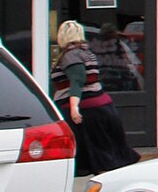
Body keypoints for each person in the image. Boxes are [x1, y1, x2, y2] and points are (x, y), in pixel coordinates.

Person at [51, 19, 137, 175]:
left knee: (97, 157)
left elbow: (78, 79)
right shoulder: (87, 53)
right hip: (103, 106)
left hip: (87, 111)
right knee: (108, 154)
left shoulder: (70, 56)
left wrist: (73, 107)